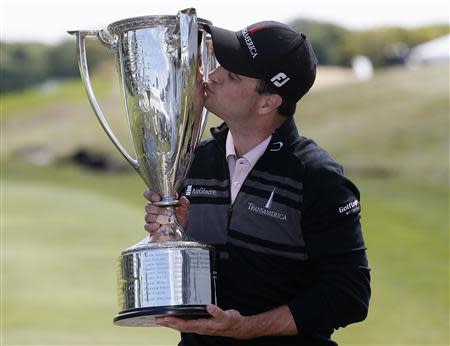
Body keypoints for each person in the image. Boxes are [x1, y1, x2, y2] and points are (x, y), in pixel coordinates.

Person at [144, 21, 371, 346]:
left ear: (268, 103)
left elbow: (349, 295)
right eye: (222, 64)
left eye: (233, 75)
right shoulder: (193, 161)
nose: (215, 75)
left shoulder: (317, 178)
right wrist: (176, 235)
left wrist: (247, 328)